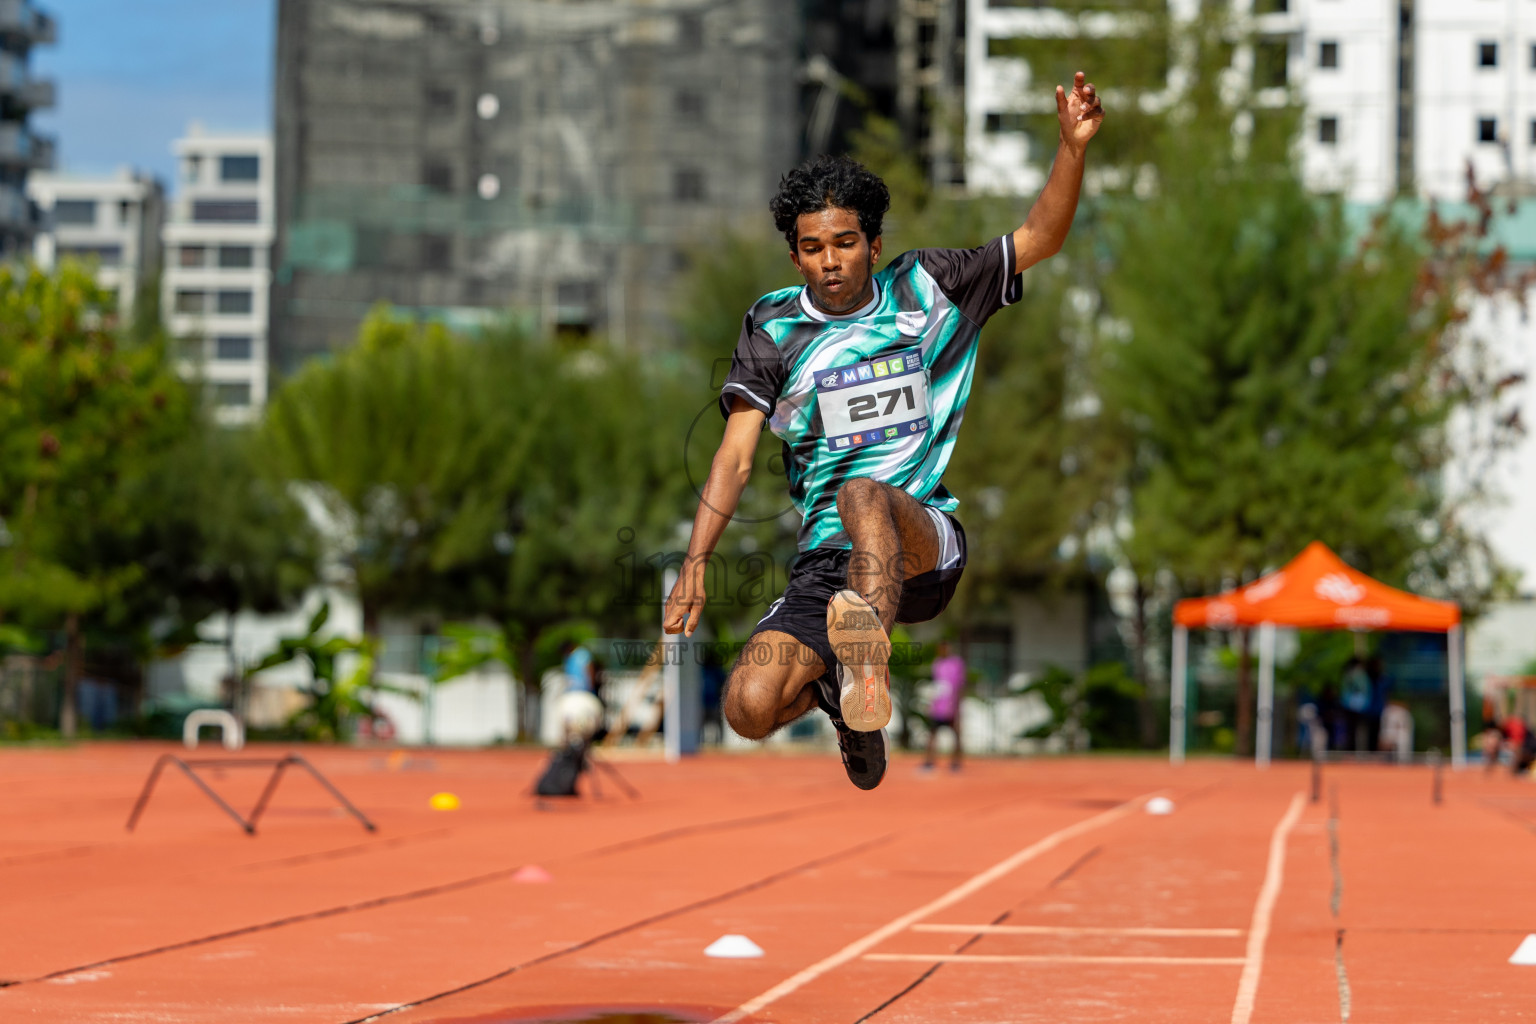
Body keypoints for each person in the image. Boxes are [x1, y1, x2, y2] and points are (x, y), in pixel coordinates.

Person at [663, 74, 1105, 790]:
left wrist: (1071, 149)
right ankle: (842, 694)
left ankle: (867, 656)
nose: (829, 261)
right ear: (794, 256)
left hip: (923, 541)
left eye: (844, 243)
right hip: (825, 564)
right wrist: (695, 562)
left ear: (873, 242)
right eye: (812, 249)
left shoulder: (929, 288)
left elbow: (1039, 237)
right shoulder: (775, 328)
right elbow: (735, 457)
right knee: (748, 706)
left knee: (864, 493)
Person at [924, 641, 965, 772]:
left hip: (951, 706)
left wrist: (957, 706)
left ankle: (955, 763)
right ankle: (929, 762)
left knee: (956, 734)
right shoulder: (937, 663)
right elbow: (935, 685)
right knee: (932, 734)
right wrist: (931, 704)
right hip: (938, 707)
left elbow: (960, 685)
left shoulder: (956, 663)